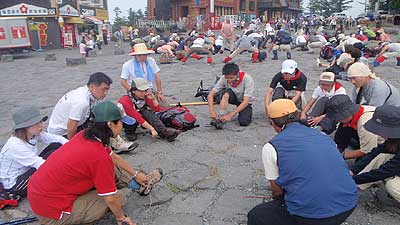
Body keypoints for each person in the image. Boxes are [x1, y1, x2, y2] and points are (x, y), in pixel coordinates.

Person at [28, 101, 163, 225]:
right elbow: (110, 198)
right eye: (120, 122)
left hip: (42, 193)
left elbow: (112, 156)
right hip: (51, 211)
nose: (122, 126)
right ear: (110, 124)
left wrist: (135, 174)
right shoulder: (97, 156)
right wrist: (121, 218)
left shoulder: (87, 134)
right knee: (118, 199)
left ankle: (141, 185)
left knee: (110, 163)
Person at [248, 99, 358, 225]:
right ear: (299, 115)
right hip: (348, 204)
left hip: (312, 216)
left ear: (273, 123)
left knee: (256, 215)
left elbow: (276, 190)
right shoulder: (323, 136)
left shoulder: (272, 146)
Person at [47, 72, 136, 153]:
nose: (106, 93)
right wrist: (74, 147)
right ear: (92, 87)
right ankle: (112, 145)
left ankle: (114, 142)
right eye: (103, 89)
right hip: (62, 133)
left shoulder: (88, 93)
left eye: (107, 89)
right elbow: (71, 126)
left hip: (75, 125)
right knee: (103, 125)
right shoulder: (82, 101)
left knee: (103, 118)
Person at [0, 106, 67, 198]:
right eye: (36, 123)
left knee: (56, 146)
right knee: (52, 156)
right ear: (25, 127)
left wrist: (73, 148)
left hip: (27, 170)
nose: (41, 126)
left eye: (40, 122)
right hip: (15, 184)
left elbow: (57, 139)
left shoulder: (33, 134)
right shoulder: (15, 145)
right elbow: (40, 164)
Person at [351, 105, 400, 209]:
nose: (380, 134)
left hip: (395, 169)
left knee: (392, 186)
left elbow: (387, 170)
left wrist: (355, 178)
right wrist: (352, 171)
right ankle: (353, 188)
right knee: (381, 157)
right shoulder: (395, 138)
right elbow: (374, 152)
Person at [326, 95, 384, 160]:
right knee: (344, 124)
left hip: (380, 144)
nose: (337, 120)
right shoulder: (356, 111)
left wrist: (342, 155)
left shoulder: (365, 124)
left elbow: (368, 150)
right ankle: (339, 147)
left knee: (360, 164)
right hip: (365, 135)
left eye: (339, 117)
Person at [207, 63, 255, 128]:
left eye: (231, 78)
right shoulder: (223, 78)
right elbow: (210, 95)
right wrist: (212, 111)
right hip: (232, 96)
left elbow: (246, 101)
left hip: (244, 100)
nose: (229, 80)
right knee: (226, 93)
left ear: (237, 74)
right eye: (227, 78)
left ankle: (230, 114)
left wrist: (231, 115)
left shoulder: (247, 79)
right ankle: (221, 116)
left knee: (244, 122)